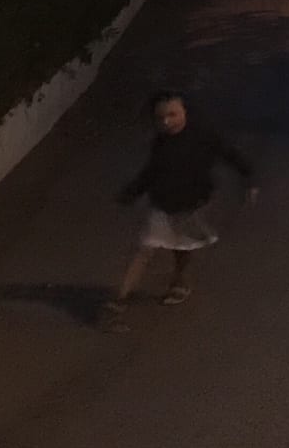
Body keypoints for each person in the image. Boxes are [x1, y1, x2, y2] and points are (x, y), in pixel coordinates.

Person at [101, 91, 255, 330]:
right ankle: (118, 301)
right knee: (143, 249)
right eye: (160, 117)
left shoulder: (204, 136)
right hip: (162, 205)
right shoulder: (161, 141)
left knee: (182, 246)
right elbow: (152, 171)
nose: (166, 122)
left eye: (172, 115)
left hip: (191, 204)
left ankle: (179, 281)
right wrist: (132, 192)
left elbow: (230, 155)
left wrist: (249, 179)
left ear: (184, 112)